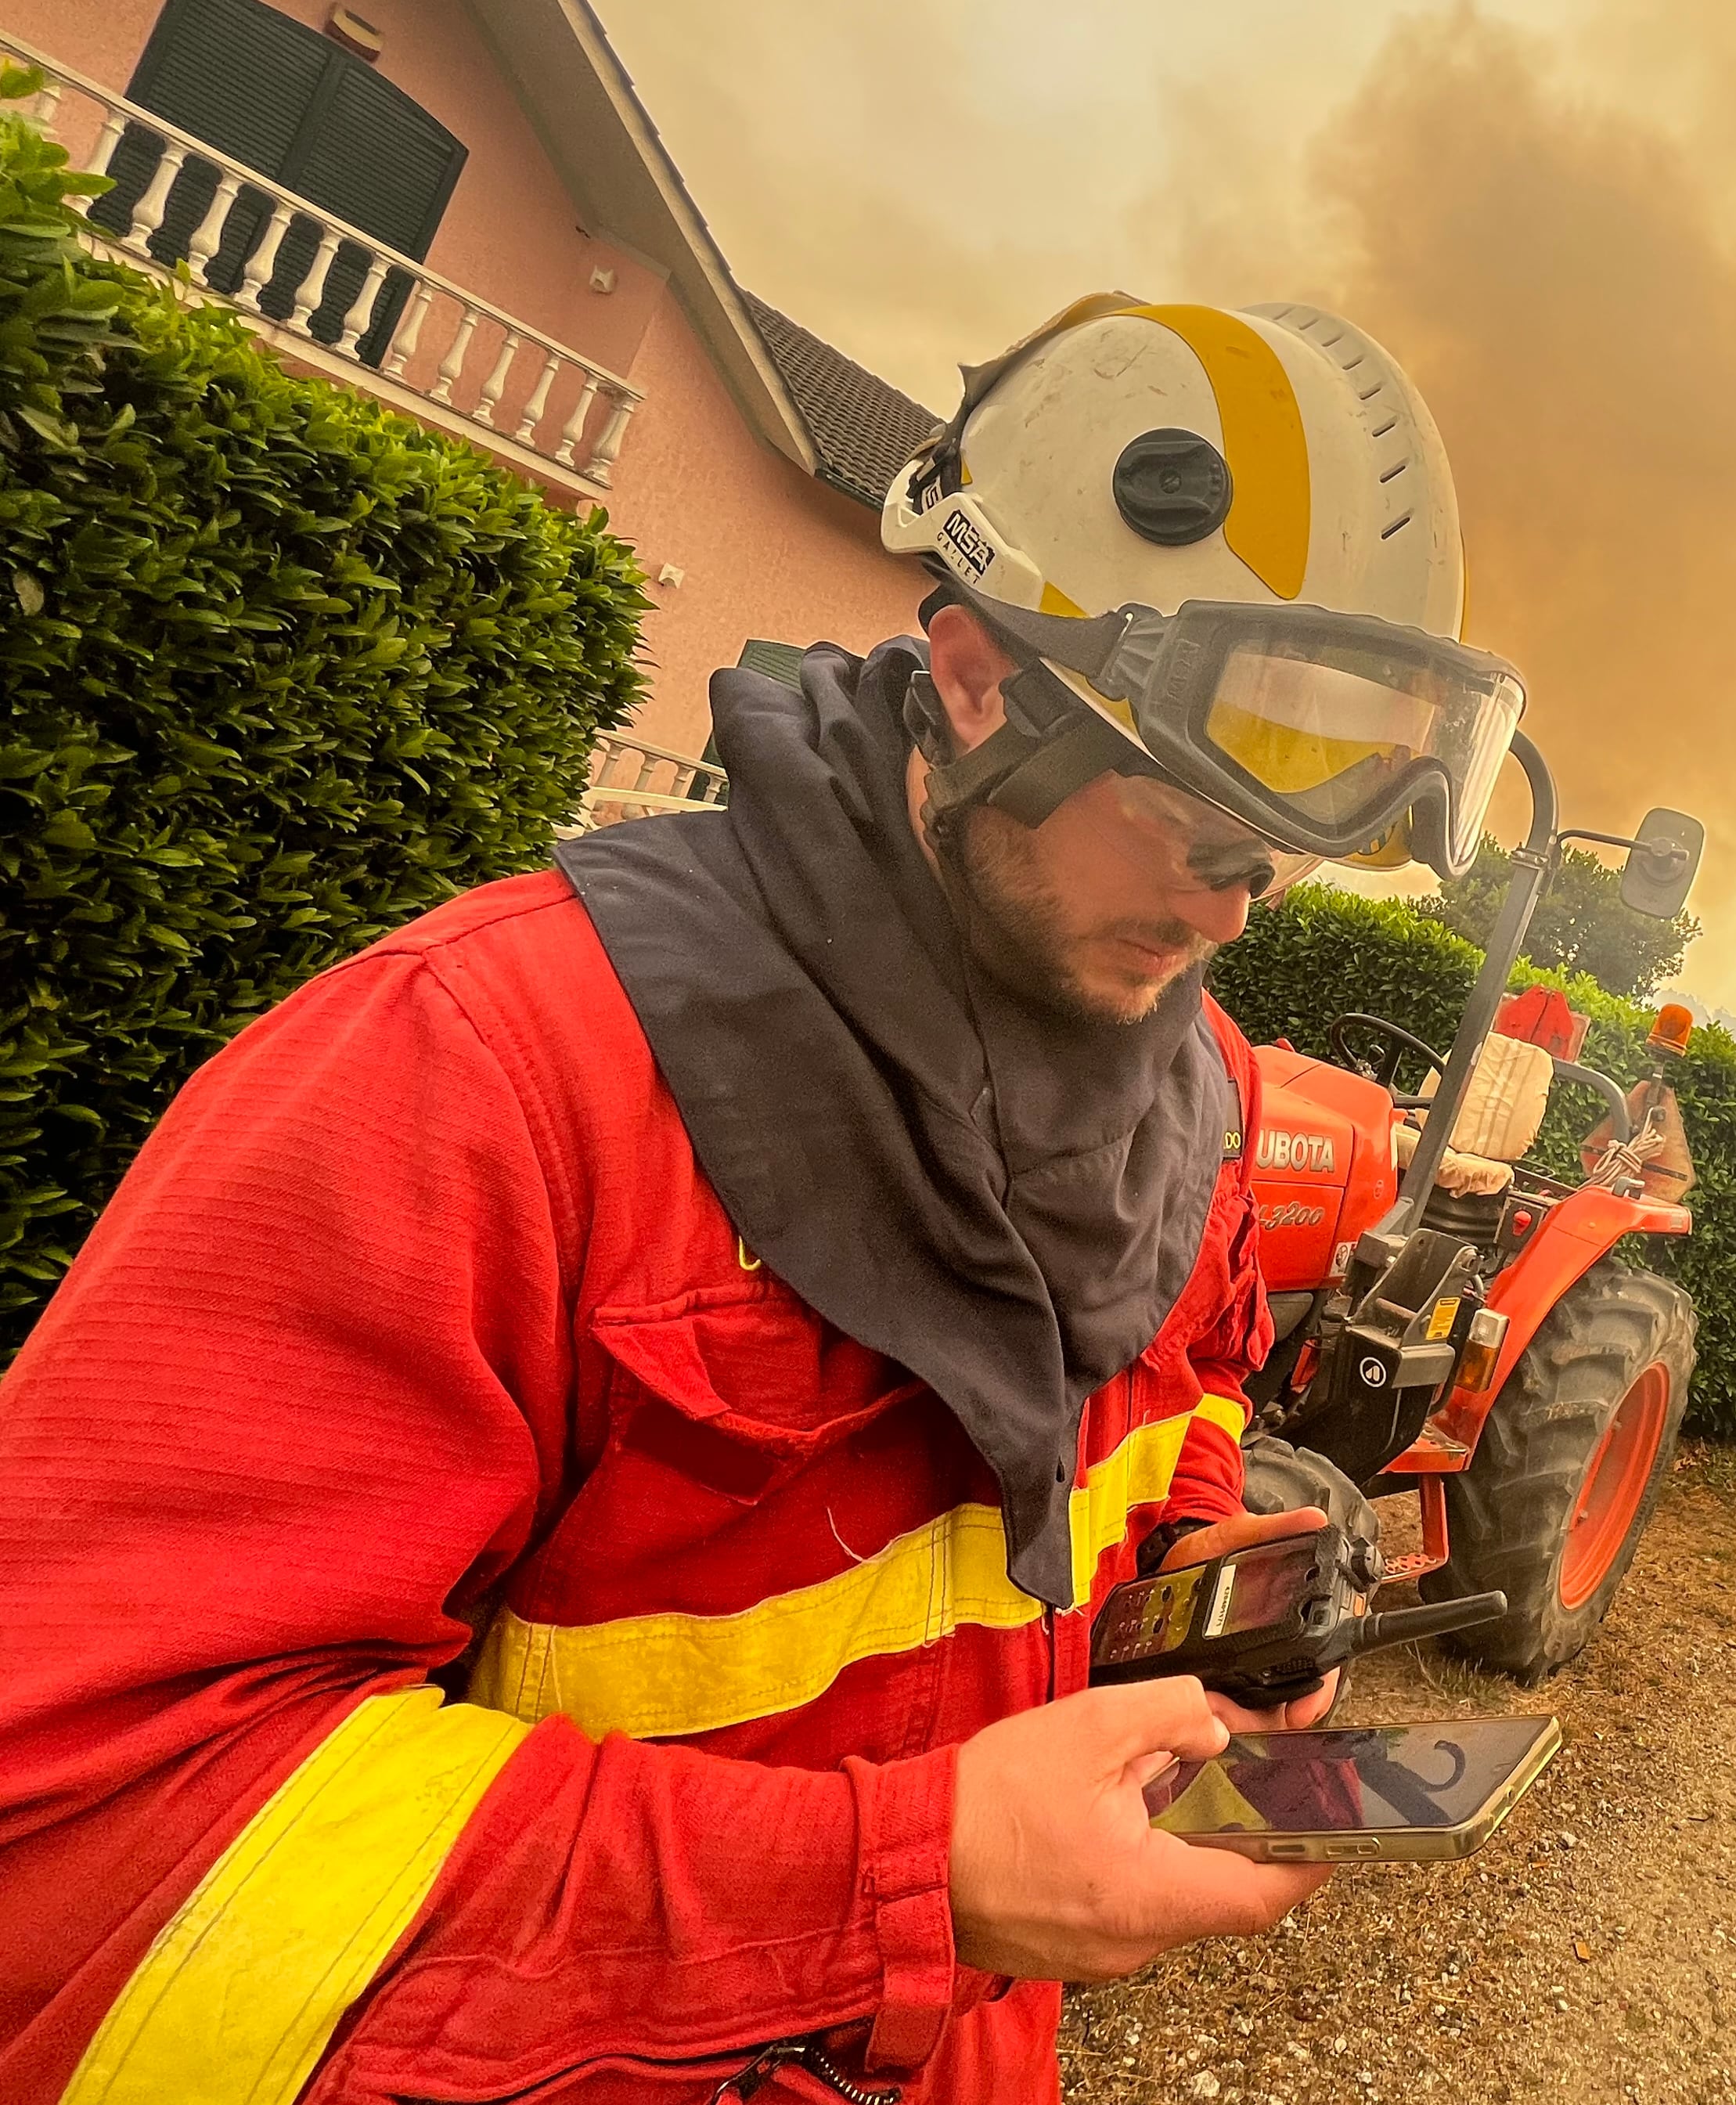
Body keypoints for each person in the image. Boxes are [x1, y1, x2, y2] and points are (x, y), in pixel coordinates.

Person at [0, 294, 1525, 2101]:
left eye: (1274, 870)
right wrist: (902, 1874)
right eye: (1202, 838)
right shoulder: (486, 1074)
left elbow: (1181, 1392)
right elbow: (80, 1854)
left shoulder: (1194, 1093)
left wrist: (1206, 1585)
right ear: (974, 677)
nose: (1230, 917)